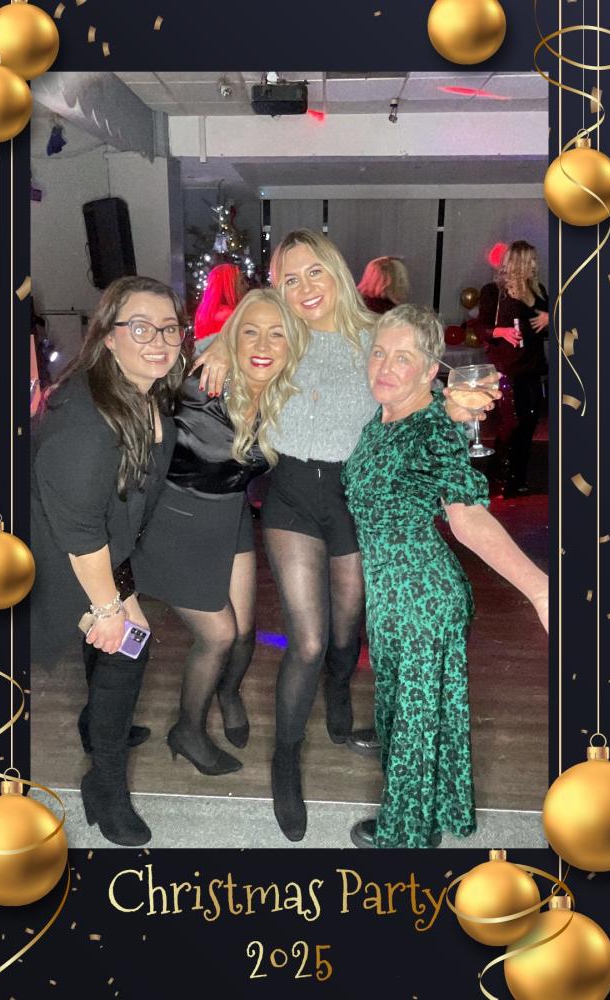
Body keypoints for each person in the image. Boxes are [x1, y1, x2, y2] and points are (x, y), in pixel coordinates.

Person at [194, 229, 496, 843]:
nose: (304, 288)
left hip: (352, 495)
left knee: (345, 630)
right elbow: (214, 343)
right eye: (289, 278)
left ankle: (338, 695)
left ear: (335, 271)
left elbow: (420, 382)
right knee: (307, 640)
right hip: (291, 497)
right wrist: (221, 344)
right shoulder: (283, 334)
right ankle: (285, 760)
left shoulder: (373, 336)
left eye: (314, 272)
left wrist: (461, 402)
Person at [342, 304, 548, 849]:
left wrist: (541, 590)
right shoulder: (386, 417)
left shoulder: (433, 428)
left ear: (431, 369)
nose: (385, 365)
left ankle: (406, 835)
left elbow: (468, 518)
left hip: (421, 599)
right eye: (379, 352)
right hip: (391, 596)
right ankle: (436, 810)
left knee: (413, 722)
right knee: (411, 712)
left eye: (403, 357)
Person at [31, 276, 190, 847]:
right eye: (140, 328)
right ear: (107, 336)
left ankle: (97, 725)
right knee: (129, 645)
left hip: (95, 543)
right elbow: (78, 532)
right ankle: (105, 784)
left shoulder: (142, 392)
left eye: (170, 328)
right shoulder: (85, 418)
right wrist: (108, 608)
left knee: (119, 646)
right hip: (55, 555)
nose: (159, 341)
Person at [131, 289, 308, 776]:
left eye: (276, 334)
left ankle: (228, 693)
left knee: (245, 632)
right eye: (250, 331)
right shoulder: (197, 383)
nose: (263, 344)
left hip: (229, 514)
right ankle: (187, 730)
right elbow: (139, 375)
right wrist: (212, 349)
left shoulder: (286, 394)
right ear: (232, 336)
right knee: (219, 636)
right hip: (173, 520)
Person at [478, 240, 549, 499]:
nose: (535, 265)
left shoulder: (538, 291)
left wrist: (549, 318)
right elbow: (481, 328)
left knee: (529, 422)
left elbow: (546, 330)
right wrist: (503, 331)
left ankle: (517, 478)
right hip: (507, 368)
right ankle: (500, 479)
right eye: (531, 260)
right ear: (518, 262)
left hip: (532, 366)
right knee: (511, 424)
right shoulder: (494, 292)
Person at [193, 262, 246, 340]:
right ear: (229, 286)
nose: (246, 286)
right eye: (242, 282)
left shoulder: (204, 314)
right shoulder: (231, 317)